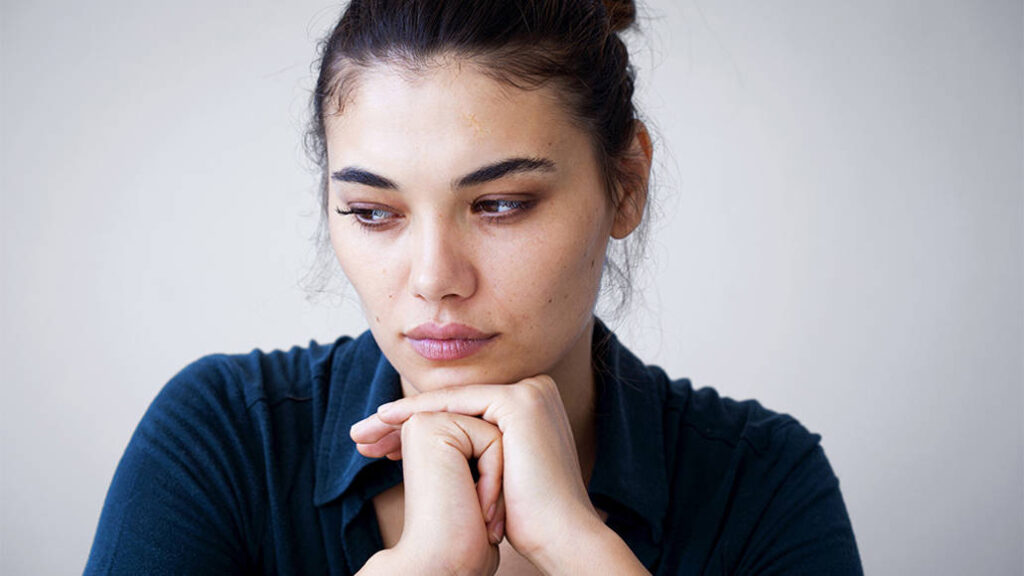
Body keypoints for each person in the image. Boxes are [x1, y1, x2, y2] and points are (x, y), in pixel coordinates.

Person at [85, 0, 863, 574]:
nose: (433, 280)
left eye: (498, 205)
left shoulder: (760, 480)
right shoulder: (224, 437)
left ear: (626, 184)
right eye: (372, 212)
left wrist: (580, 548)